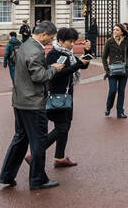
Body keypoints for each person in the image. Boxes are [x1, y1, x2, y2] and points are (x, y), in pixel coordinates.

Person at [0, 20, 66, 191]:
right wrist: (54, 69)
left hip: (20, 100)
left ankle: (7, 175)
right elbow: (39, 76)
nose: (50, 41)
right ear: (43, 35)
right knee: (38, 141)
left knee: (20, 138)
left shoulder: (25, 45)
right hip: (33, 102)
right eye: (50, 38)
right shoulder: (35, 51)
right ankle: (37, 179)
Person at [34, 27, 92, 167]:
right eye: (70, 42)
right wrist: (78, 64)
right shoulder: (55, 54)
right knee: (62, 127)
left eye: (73, 41)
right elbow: (57, 73)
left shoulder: (67, 53)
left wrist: (86, 54)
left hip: (66, 94)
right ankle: (36, 152)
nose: (72, 44)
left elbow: (77, 67)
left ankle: (59, 158)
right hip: (57, 94)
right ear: (61, 40)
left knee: (66, 126)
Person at [102, 23, 128, 118]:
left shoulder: (126, 42)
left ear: (122, 32)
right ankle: (108, 107)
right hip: (112, 71)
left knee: (121, 91)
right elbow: (104, 57)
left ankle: (120, 111)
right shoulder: (109, 41)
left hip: (123, 70)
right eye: (114, 29)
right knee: (112, 90)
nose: (114, 31)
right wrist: (107, 70)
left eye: (117, 30)